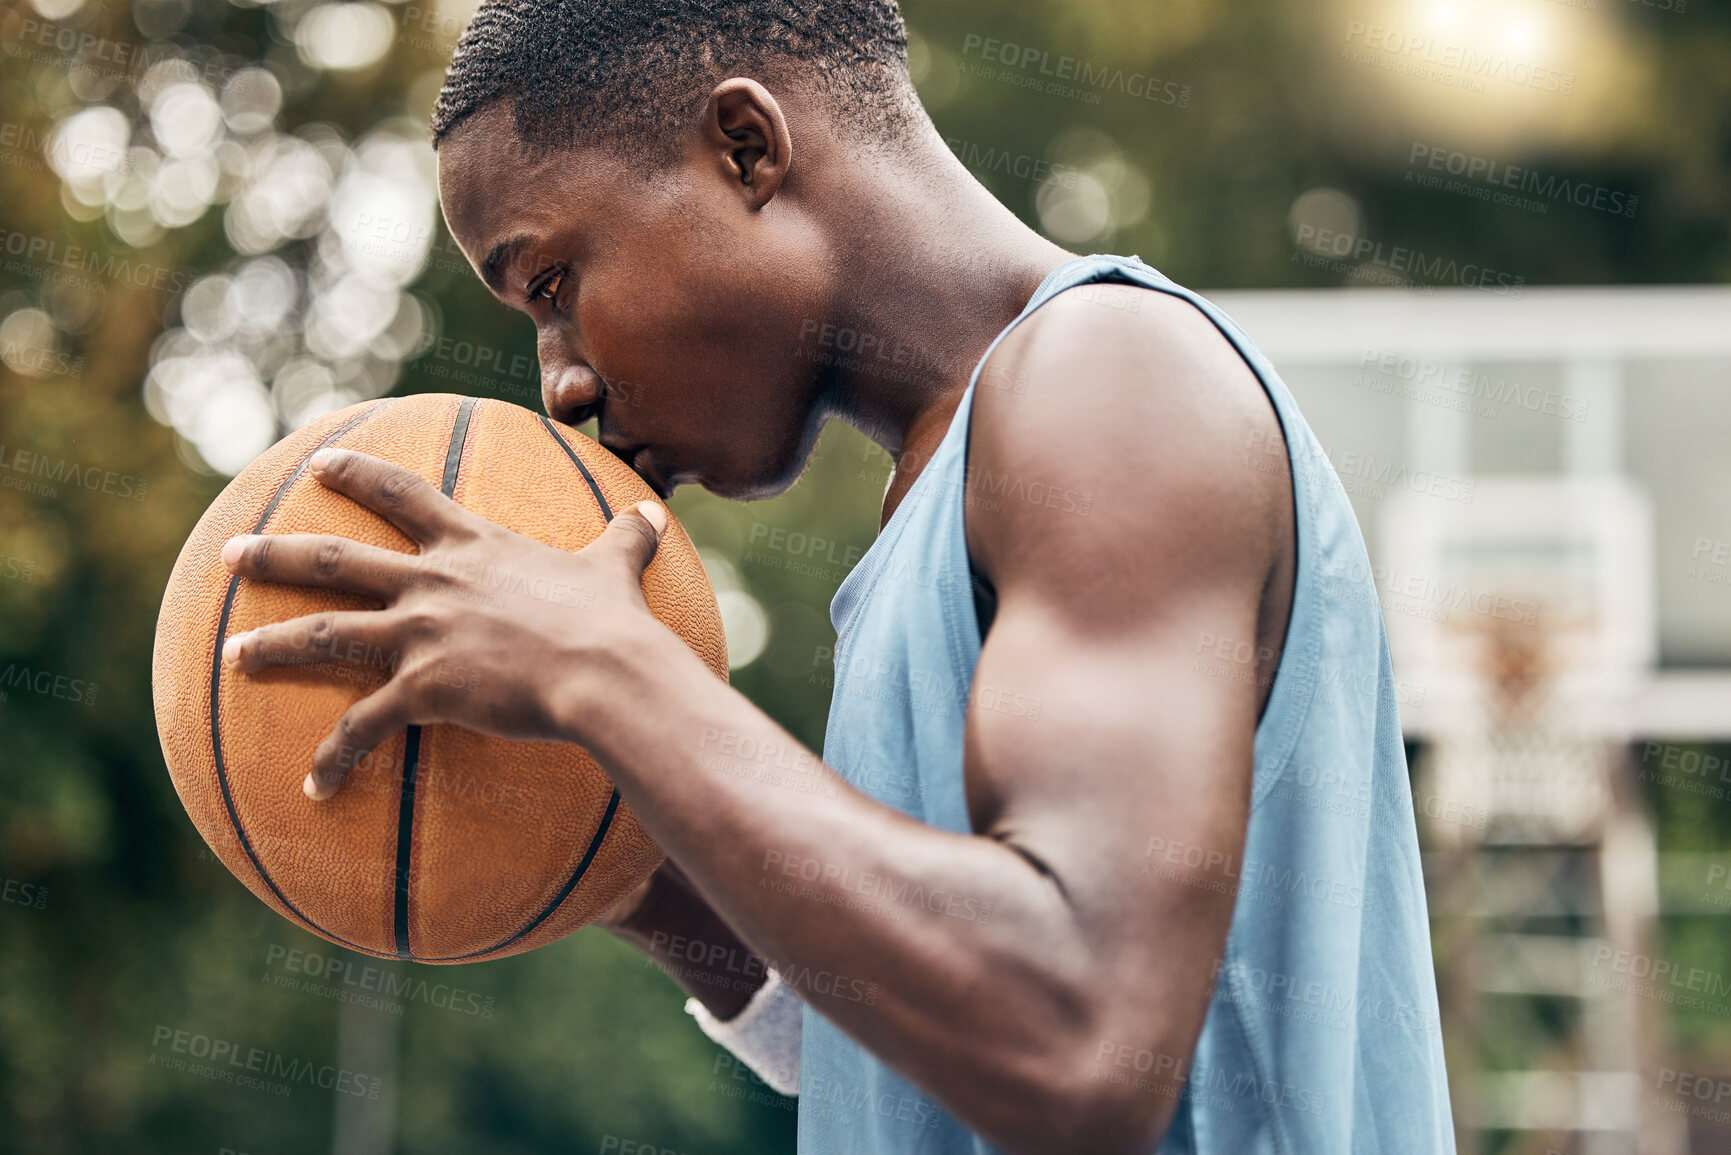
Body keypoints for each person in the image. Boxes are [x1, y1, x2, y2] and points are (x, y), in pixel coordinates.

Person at [216, 1, 1455, 1150]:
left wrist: (605, 672)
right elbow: (910, 1045)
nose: (563, 383)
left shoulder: (1111, 382)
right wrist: (616, 848)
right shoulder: (938, 500)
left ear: (747, 147)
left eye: (553, 285)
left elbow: (1083, 1035)